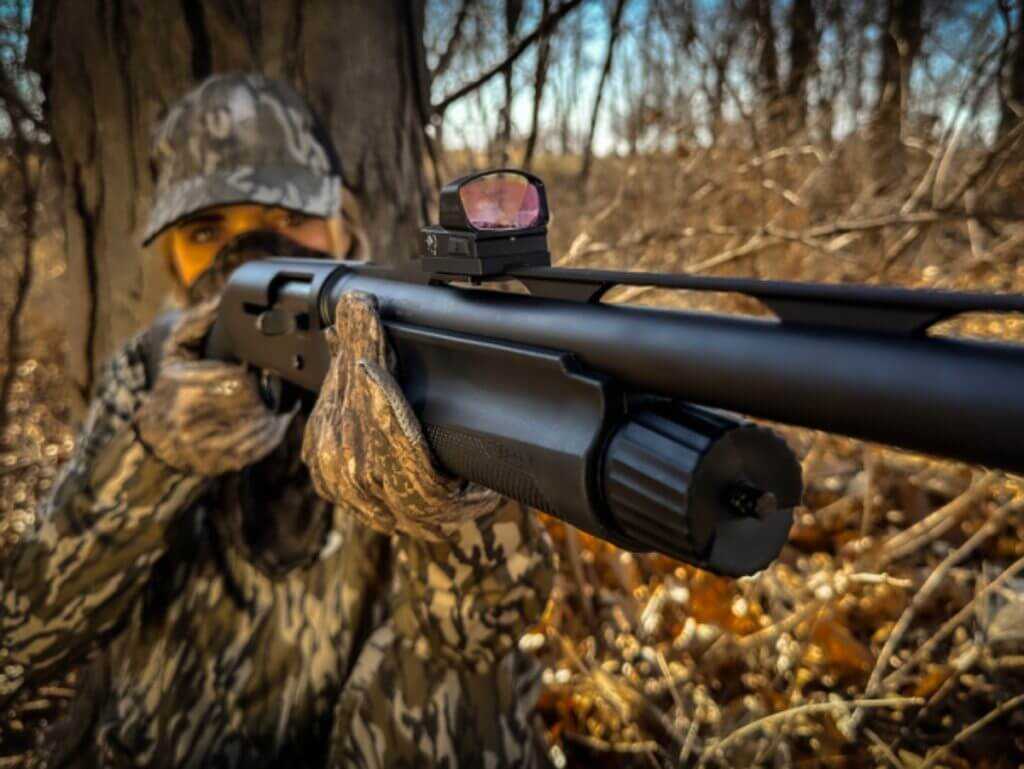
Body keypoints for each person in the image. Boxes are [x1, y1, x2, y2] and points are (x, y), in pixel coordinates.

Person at [0, 73, 554, 768]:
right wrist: (148, 463)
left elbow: (486, 629)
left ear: (344, 225)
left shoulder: (414, 361)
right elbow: (20, 638)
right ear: (172, 258)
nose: (252, 253)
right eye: (207, 229)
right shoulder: (147, 373)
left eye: (289, 218)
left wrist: (445, 509)